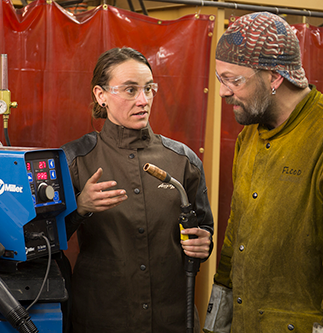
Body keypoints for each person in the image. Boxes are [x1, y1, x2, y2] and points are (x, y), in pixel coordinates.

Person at [62, 47, 214, 333]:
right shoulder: (74, 160)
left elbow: (203, 229)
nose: (143, 100)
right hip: (102, 319)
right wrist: (80, 207)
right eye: (130, 90)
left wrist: (203, 244)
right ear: (101, 95)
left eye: (149, 89)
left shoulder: (183, 161)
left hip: (171, 321)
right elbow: (42, 246)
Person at [203, 12, 323, 333]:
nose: (223, 92)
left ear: (274, 77)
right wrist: (217, 322)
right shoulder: (248, 138)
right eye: (220, 79)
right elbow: (235, 233)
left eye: (234, 80)